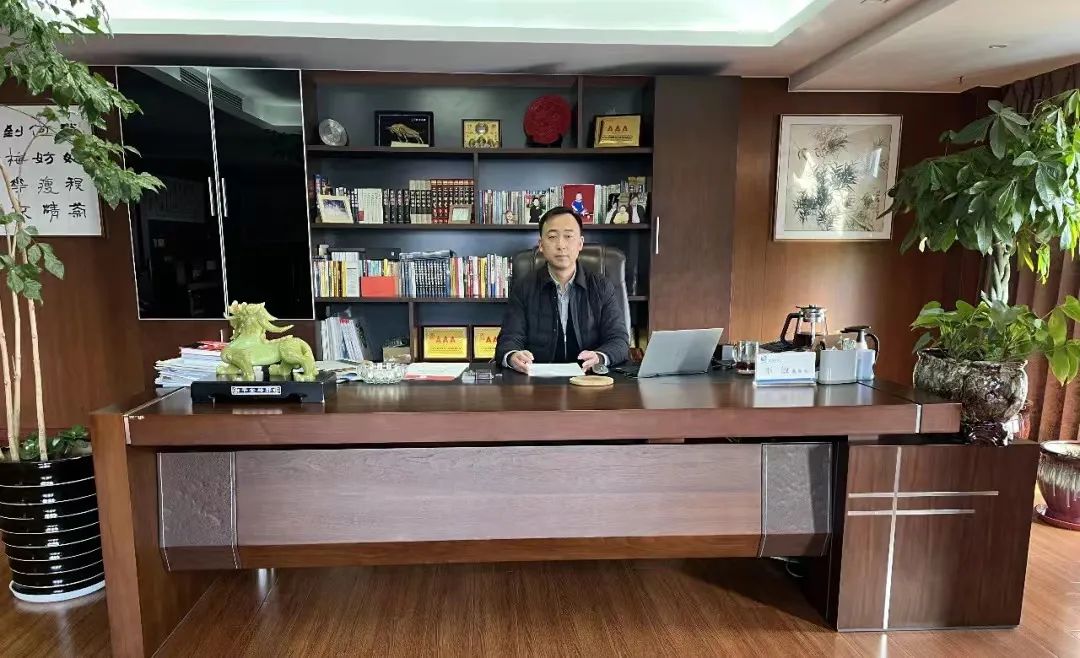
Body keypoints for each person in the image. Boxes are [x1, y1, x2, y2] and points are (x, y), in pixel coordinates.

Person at [496, 206, 629, 374]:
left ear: (580, 243)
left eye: (568, 236)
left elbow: (619, 340)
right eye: (552, 237)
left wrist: (600, 357)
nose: (561, 245)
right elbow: (509, 339)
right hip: (538, 380)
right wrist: (512, 356)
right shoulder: (524, 287)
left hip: (590, 379)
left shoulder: (601, 286)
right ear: (541, 245)